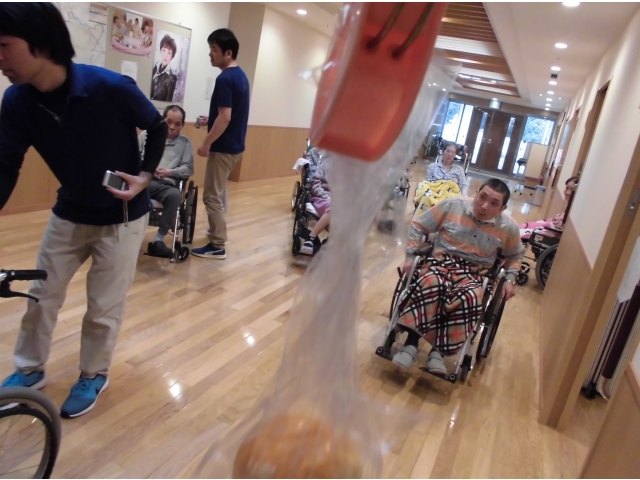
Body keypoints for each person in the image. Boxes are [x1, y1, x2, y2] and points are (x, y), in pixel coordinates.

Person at [0, 3, 168, 418]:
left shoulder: (109, 87)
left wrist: (145, 177)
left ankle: (94, 373)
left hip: (121, 219)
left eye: (4, 45)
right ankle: (29, 369)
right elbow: (5, 165)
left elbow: (158, 125)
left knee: (103, 307)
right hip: (68, 213)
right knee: (40, 295)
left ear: (41, 45)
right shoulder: (16, 100)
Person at [392, 179, 524, 374]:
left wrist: (510, 279)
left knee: (470, 296)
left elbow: (516, 255)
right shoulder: (453, 205)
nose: (484, 206)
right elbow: (419, 224)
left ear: (502, 208)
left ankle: (438, 353)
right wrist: (411, 257)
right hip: (441, 263)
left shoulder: (508, 228)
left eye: (493, 203)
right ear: (476, 193)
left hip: (476, 273)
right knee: (431, 282)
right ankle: (411, 344)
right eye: (482, 197)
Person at [191, 28, 250, 260]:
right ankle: (218, 233)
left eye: (213, 49)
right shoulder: (241, 76)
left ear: (228, 53)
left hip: (224, 148)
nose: (210, 54)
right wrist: (210, 119)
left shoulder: (224, 79)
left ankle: (217, 245)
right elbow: (230, 115)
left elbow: (225, 117)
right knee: (220, 192)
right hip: (236, 147)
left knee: (211, 196)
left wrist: (206, 143)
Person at [140, 105, 194, 257]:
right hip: (143, 181)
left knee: (175, 196)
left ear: (182, 125)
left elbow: (188, 168)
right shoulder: (146, 135)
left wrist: (170, 172)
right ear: (163, 120)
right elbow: (133, 156)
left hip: (166, 186)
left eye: (177, 124)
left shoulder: (185, 143)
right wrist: (148, 168)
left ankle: (158, 240)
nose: (172, 127)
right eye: (169, 122)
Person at [300, 161, 330, 256]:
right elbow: (315, 185)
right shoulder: (324, 166)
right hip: (322, 198)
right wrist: (326, 196)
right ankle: (311, 238)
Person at [150, 34, 178, 102]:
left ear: (172, 57)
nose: (165, 55)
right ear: (160, 51)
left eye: (169, 53)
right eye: (164, 50)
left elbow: (168, 102)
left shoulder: (171, 78)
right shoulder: (153, 69)